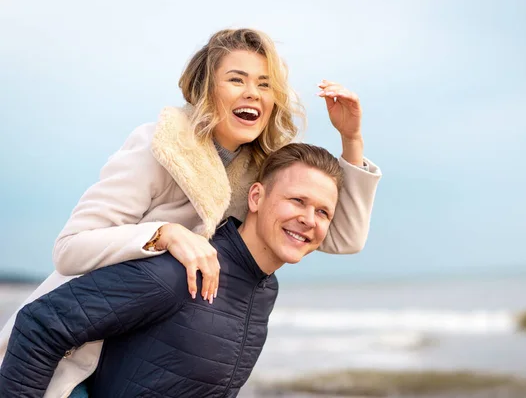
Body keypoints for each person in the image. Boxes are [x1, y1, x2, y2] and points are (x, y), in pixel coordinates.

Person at [0, 28, 381, 396]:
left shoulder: (255, 169)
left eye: (265, 84)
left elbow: (339, 235)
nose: (253, 93)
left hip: (149, 343)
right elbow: (68, 250)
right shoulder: (160, 146)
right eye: (237, 79)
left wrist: (351, 139)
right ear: (206, 88)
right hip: (74, 351)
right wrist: (164, 234)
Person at [0, 143, 343, 398]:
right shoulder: (181, 271)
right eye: (297, 201)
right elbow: (41, 323)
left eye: (323, 212)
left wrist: (352, 139)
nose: (308, 220)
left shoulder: (265, 289)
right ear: (256, 197)